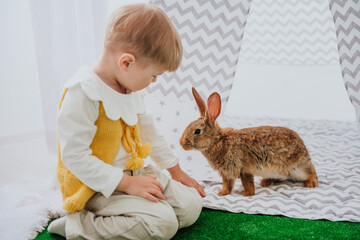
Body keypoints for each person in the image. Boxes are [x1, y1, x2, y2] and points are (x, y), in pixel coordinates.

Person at [48, 3, 205, 239]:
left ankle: (140, 211)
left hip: (135, 171)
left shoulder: (129, 88)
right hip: (98, 186)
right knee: (163, 225)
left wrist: (176, 171)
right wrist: (127, 184)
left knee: (190, 207)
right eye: (153, 75)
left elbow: (149, 131)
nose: (153, 82)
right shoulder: (83, 92)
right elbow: (75, 157)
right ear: (126, 62)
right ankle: (78, 225)